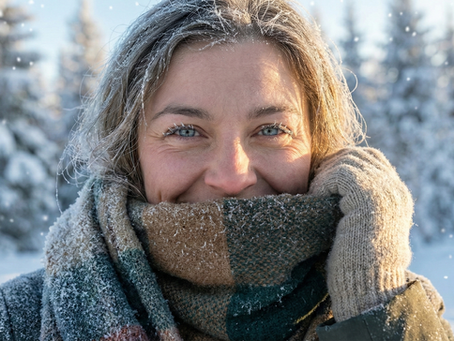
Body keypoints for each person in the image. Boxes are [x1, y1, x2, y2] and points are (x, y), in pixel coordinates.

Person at [0, 0, 452, 340]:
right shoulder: (17, 320)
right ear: (130, 151)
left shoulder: (404, 310)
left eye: (272, 129)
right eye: (184, 131)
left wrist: (375, 311)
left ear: (321, 144)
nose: (233, 177)